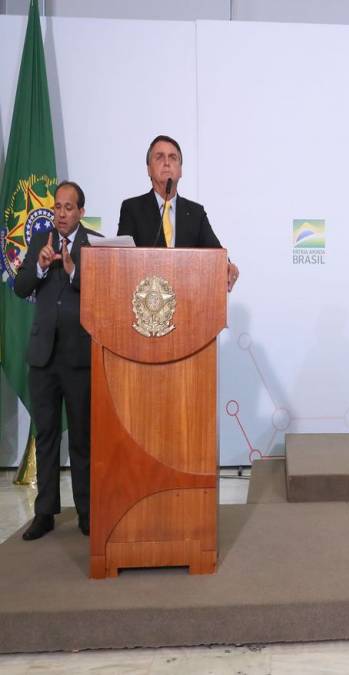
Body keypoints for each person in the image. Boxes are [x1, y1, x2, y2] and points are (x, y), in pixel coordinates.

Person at [14, 182, 99, 540]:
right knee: (46, 434)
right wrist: (40, 266)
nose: (61, 214)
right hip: (43, 357)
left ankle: (87, 512)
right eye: (57, 207)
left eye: (68, 207)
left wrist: (74, 271)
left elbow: (103, 293)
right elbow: (20, 287)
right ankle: (45, 512)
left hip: (79, 357)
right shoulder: (40, 241)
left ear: (81, 211)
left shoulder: (94, 245)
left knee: (81, 438)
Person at [117, 134, 239, 291]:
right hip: (147, 297)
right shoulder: (132, 208)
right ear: (148, 169)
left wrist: (227, 266)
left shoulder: (196, 213)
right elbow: (121, 258)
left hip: (188, 294)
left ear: (180, 170)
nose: (167, 162)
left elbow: (215, 252)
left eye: (173, 157)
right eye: (159, 157)